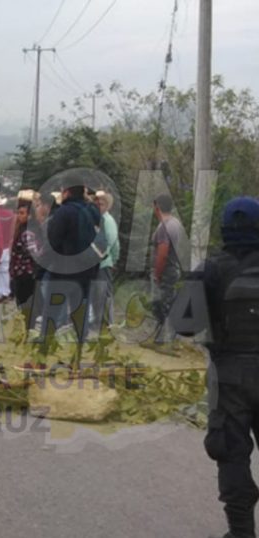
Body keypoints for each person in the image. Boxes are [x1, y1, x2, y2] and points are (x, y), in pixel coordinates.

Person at [173, 197, 259, 538]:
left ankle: (241, 533)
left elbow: (183, 324)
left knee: (231, 452)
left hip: (231, 376)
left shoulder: (212, 268)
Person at [37, 179, 102, 360]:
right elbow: (100, 243)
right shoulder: (93, 212)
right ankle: (77, 361)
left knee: (50, 317)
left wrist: (40, 271)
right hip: (86, 274)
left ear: (65, 192)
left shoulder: (64, 213)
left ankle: (41, 360)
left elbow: (52, 244)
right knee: (80, 318)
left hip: (63, 272)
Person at [143, 193, 188, 354]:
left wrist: (157, 273)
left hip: (166, 271)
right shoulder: (176, 223)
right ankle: (163, 338)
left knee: (160, 305)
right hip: (173, 269)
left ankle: (167, 341)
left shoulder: (164, 226)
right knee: (167, 303)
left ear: (157, 207)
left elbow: (162, 252)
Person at [89, 191, 120, 334]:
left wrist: (111, 259)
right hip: (95, 263)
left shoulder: (108, 221)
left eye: (101, 204)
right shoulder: (96, 220)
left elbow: (113, 241)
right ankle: (99, 322)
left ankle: (108, 324)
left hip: (103, 263)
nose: (97, 206)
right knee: (96, 295)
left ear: (107, 206)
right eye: (96, 203)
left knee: (104, 294)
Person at [9, 200, 41, 333]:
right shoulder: (21, 230)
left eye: (22, 213)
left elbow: (34, 253)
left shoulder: (27, 233)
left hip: (25, 274)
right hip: (20, 272)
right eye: (18, 213)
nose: (19, 216)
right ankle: (28, 330)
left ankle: (29, 331)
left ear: (29, 215)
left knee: (26, 305)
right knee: (23, 305)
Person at [0, 193, 15, 302]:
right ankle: (6, 292)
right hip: (6, 246)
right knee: (4, 270)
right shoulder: (10, 214)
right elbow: (13, 231)